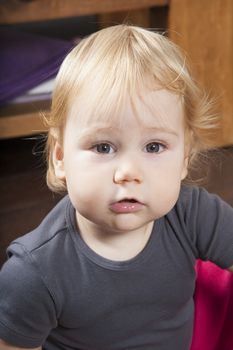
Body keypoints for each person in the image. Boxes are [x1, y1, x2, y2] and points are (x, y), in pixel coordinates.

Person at [0, 24, 233, 350]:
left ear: (184, 159)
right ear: (60, 158)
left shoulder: (194, 214)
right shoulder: (34, 274)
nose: (128, 172)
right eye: (103, 147)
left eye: (153, 147)